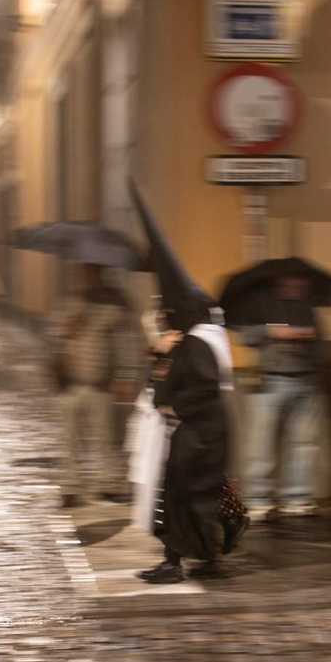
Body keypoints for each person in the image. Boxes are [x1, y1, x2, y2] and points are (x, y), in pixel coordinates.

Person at [126, 186, 246, 583]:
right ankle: (200, 556)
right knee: (189, 500)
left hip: (198, 435)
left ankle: (175, 561)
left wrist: (175, 408)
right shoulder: (185, 341)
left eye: (167, 310)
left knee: (183, 499)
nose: (162, 316)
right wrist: (159, 355)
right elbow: (163, 378)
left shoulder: (196, 343)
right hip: (197, 434)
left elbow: (205, 386)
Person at [51, 263, 138, 508]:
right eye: (81, 272)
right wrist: (66, 330)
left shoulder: (117, 304)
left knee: (105, 436)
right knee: (67, 437)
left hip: (101, 383)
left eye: (90, 271)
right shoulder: (68, 301)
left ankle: (108, 483)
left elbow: (127, 343)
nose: (85, 277)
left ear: (101, 273)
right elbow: (52, 337)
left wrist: (125, 376)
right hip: (69, 382)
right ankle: (69, 485)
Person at [240, 266, 323, 521]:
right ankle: (257, 497)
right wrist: (272, 331)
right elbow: (245, 334)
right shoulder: (259, 303)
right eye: (293, 280)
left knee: (303, 443)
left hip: (305, 378)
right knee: (260, 441)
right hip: (269, 379)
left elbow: (322, 341)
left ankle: (296, 497)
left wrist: (310, 336)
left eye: (302, 282)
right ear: (280, 280)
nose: (298, 286)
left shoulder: (308, 306)